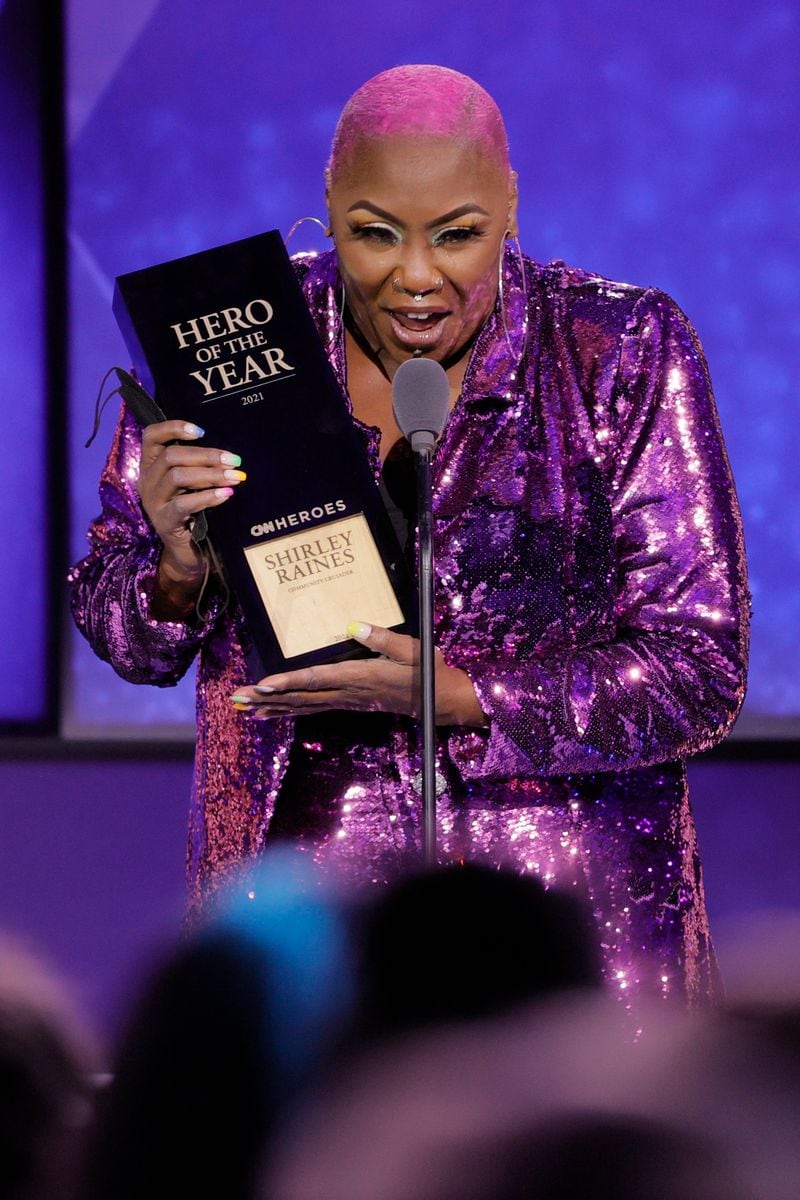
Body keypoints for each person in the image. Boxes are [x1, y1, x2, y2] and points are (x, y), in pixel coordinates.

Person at [69, 64, 749, 1014]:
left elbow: (697, 667)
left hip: (559, 915)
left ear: (511, 204)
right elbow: (123, 627)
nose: (417, 276)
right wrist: (177, 567)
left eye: (458, 234)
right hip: (301, 911)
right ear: (329, 205)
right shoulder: (231, 342)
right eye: (375, 232)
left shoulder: (620, 348)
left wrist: (464, 697)